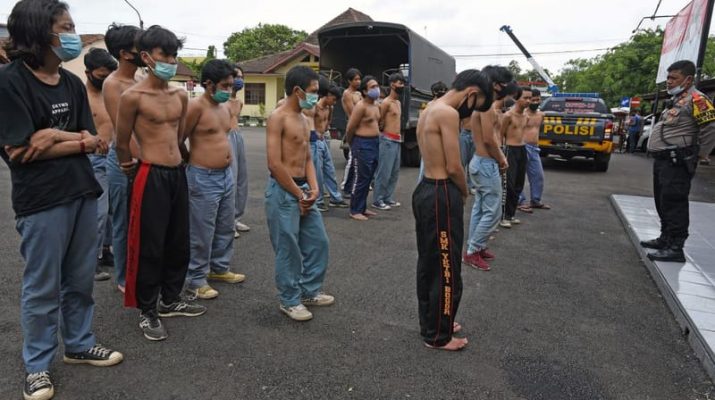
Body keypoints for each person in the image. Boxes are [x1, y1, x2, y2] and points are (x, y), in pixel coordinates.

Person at [0, 1, 124, 398]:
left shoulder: (71, 83)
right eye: (65, 27)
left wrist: (52, 136)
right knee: (42, 286)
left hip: (83, 191)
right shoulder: (10, 82)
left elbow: (96, 143)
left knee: (80, 278)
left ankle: (79, 343)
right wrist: (74, 139)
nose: (72, 34)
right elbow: (18, 150)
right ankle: (37, 366)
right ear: (39, 32)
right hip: (42, 200)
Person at [115, 25, 206, 341]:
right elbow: (121, 141)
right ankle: (147, 310)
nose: (170, 60)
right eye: (164, 54)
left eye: (173, 55)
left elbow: (178, 137)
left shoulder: (180, 94)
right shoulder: (132, 97)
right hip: (149, 174)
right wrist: (128, 166)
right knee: (148, 245)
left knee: (178, 241)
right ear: (146, 57)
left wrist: (185, 164)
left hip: (176, 173)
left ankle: (170, 298)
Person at [413, 69, 492, 351]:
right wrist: (465, 191)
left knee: (429, 262)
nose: (471, 114)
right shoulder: (447, 113)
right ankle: (438, 335)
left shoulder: (431, 108)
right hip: (441, 192)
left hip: (425, 190)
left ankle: (435, 321)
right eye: (476, 104)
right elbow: (454, 166)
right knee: (447, 269)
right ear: (471, 93)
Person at [265, 66, 333, 321]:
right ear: (297, 90)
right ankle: (289, 299)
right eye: (313, 91)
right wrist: (298, 194)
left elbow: (307, 159)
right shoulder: (278, 117)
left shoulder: (306, 118)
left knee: (318, 242)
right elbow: (274, 163)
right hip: (283, 191)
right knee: (288, 248)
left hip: (303, 189)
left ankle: (309, 290)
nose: (316, 96)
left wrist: (314, 189)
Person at [183, 59, 246, 301]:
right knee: (201, 231)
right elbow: (180, 138)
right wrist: (192, 161)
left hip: (225, 175)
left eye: (231, 85)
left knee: (225, 225)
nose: (229, 89)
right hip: (203, 176)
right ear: (208, 84)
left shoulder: (225, 107)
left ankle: (220, 267)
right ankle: (196, 279)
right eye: (224, 85)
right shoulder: (195, 107)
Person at [641, 60, 715, 262]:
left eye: (674, 78)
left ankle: (676, 247)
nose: (669, 82)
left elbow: (710, 127)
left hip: (678, 161)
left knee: (675, 202)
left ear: (688, 79)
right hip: (664, 160)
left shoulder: (698, 99)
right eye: (668, 77)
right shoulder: (679, 100)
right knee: (662, 200)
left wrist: (699, 155)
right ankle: (665, 238)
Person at [102, 22, 143, 293]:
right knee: (123, 223)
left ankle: (142, 271)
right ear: (125, 52)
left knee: (143, 221)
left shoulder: (140, 81)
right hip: (125, 162)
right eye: (142, 44)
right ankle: (123, 278)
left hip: (147, 161)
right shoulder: (113, 84)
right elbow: (124, 132)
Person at [463, 66, 513, 271]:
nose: (506, 88)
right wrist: (502, 158)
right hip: (486, 163)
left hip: (482, 162)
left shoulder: (484, 105)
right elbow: (489, 139)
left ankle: (476, 246)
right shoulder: (486, 107)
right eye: (504, 83)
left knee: (481, 208)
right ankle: (473, 250)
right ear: (495, 84)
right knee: (492, 211)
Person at [83, 48, 117, 282]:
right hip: (93, 159)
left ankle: (106, 251)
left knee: (113, 212)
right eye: (101, 75)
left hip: (115, 157)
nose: (105, 79)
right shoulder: (81, 96)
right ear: (88, 72)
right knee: (98, 212)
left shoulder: (110, 93)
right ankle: (90, 260)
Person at [346, 75, 381, 221]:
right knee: (360, 179)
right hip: (362, 144)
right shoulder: (361, 106)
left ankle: (362, 207)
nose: (376, 89)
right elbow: (350, 128)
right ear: (365, 91)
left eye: (377, 86)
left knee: (368, 178)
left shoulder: (376, 105)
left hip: (374, 143)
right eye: (372, 87)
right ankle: (354, 210)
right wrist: (352, 145)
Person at [311, 78, 349, 210]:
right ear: (328, 95)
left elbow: (328, 121)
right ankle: (319, 201)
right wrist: (315, 134)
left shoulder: (329, 108)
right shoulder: (315, 107)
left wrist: (324, 131)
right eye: (333, 99)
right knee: (317, 173)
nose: (334, 102)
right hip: (315, 141)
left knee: (329, 170)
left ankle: (335, 198)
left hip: (323, 140)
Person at [372, 73, 405, 210]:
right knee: (384, 171)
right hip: (386, 140)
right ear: (392, 84)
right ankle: (378, 199)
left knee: (394, 172)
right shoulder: (385, 103)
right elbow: (379, 120)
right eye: (400, 83)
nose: (402, 86)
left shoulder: (397, 102)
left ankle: (387, 197)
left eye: (403, 83)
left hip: (397, 140)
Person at [499, 86, 530, 228]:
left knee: (519, 184)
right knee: (508, 185)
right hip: (510, 150)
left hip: (522, 149)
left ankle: (511, 215)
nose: (528, 101)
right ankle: (503, 216)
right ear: (517, 98)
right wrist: (501, 154)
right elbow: (500, 135)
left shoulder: (526, 117)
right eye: (525, 98)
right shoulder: (508, 116)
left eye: (530, 98)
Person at [225, 64, 250, 238]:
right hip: (226, 138)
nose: (239, 80)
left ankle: (235, 218)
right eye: (236, 76)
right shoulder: (222, 100)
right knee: (231, 180)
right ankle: (227, 224)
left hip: (238, 137)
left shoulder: (239, 102)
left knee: (242, 179)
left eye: (241, 76)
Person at [518, 88, 550, 212]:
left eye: (538, 100)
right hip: (522, 146)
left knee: (538, 175)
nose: (536, 102)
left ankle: (535, 200)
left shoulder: (541, 115)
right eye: (533, 99)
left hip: (535, 148)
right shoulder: (522, 114)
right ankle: (520, 201)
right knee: (519, 176)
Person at [340, 67, 362, 198]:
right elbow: (353, 113)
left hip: (361, 127)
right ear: (349, 81)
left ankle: (353, 184)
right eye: (356, 79)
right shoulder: (347, 94)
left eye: (359, 79)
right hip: (353, 127)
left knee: (358, 159)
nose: (358, 81)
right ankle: (346, 186)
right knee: (352, 158)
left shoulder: (359, 94)